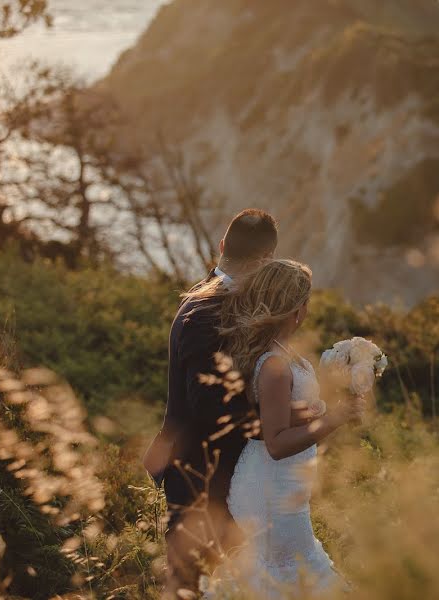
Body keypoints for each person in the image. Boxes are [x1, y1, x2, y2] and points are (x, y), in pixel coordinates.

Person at [143, 208, 282, 598]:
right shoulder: (205, 312)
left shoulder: (208, 297)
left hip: (223, 478)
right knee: (193, 585)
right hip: (200, 477)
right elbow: (208, 407)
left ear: (222, 246)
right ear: (266, 260)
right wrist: (276, 423)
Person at [217, 258, 364, 597]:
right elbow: (277, 442)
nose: (308, 308)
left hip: (282, 482)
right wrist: (334, 419)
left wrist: (322, 408)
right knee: (289, 572)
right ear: (295, 308)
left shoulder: (281, 353)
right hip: (270, 489)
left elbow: (277, 414)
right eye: (306, 300)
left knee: (289, 573)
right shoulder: (275, 365)